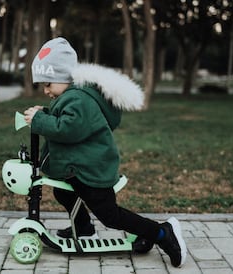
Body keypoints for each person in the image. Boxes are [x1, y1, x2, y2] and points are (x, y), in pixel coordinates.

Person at [24, 37, 187, 268]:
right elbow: (68, 118)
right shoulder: (73, 96)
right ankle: (84, 229)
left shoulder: (78, 99)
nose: (45, 90)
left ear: (63, 77)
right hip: (81, 166)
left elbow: (68, 129)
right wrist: (46, 113)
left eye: (48, 83)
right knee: (64, 193)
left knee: (110, 215)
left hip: (92, 169)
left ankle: (162, 233)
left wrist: (40, 120)